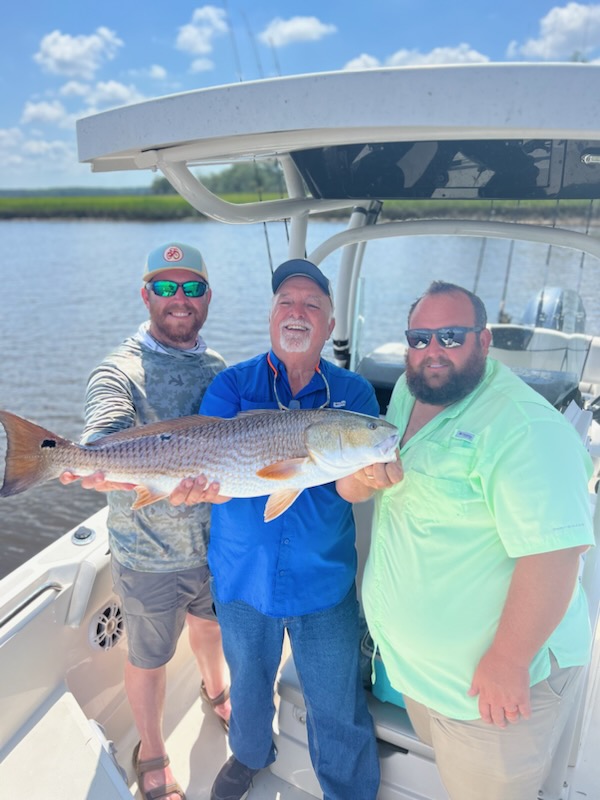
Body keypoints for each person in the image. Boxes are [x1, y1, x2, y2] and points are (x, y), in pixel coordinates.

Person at [343, 280, 595, 800]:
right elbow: (368, 485)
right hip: (423, 678)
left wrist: (508, 660)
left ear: (484, 341)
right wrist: (362, 479)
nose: (433, 351)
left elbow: (555, 556)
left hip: (492, 691)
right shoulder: (412, 395)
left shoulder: (525, 428)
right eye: (420, 338)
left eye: (451, 336)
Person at [172, 258, 381, 800]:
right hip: (243, 576)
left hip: (323, 582)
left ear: (330, 325)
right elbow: (206, 463)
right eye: (287, 302)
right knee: (248, 685)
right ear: (270, 316)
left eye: (312, 305)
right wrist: (190, 486)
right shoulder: (232, 385)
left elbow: (349, 489)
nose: (298, 313)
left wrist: (370, 478)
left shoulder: (353, 396)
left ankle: (347, 789)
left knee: (336, 700)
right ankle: (248, 755)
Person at [61, 242, 230, 800]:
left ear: (207, 296)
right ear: (145, 295)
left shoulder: (218, 369)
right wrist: (91, 461)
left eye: (190, 288)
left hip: (212, 545)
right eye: (164, 287)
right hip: (147, 555)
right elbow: (105, 433)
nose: (178, 299)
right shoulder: (119, 368)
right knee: (149, 655)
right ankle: (152, 750)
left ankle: (216, 688)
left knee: (209, 628)